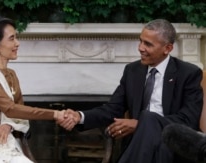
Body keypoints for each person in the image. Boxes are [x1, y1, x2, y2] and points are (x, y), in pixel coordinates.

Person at [59, 19, 203, 163]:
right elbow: (112, 109)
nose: (140, 48)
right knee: (147, 119)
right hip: (139, 145)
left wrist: (140, 124)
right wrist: (79, 116)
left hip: (172, 146)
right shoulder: (132, 71)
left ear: (167, 48)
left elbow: (188, 120)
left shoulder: (188, 73)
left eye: (148, 44)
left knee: (148, 118)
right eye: (140, 41)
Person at [0, 17, 70, 163]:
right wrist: (55, 114)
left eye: (16, 38)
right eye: (11, 39)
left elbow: (19, 109)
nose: (17, 43)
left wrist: (7, 125)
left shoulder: (11, 74)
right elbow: (10, 109)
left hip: (1, 136)